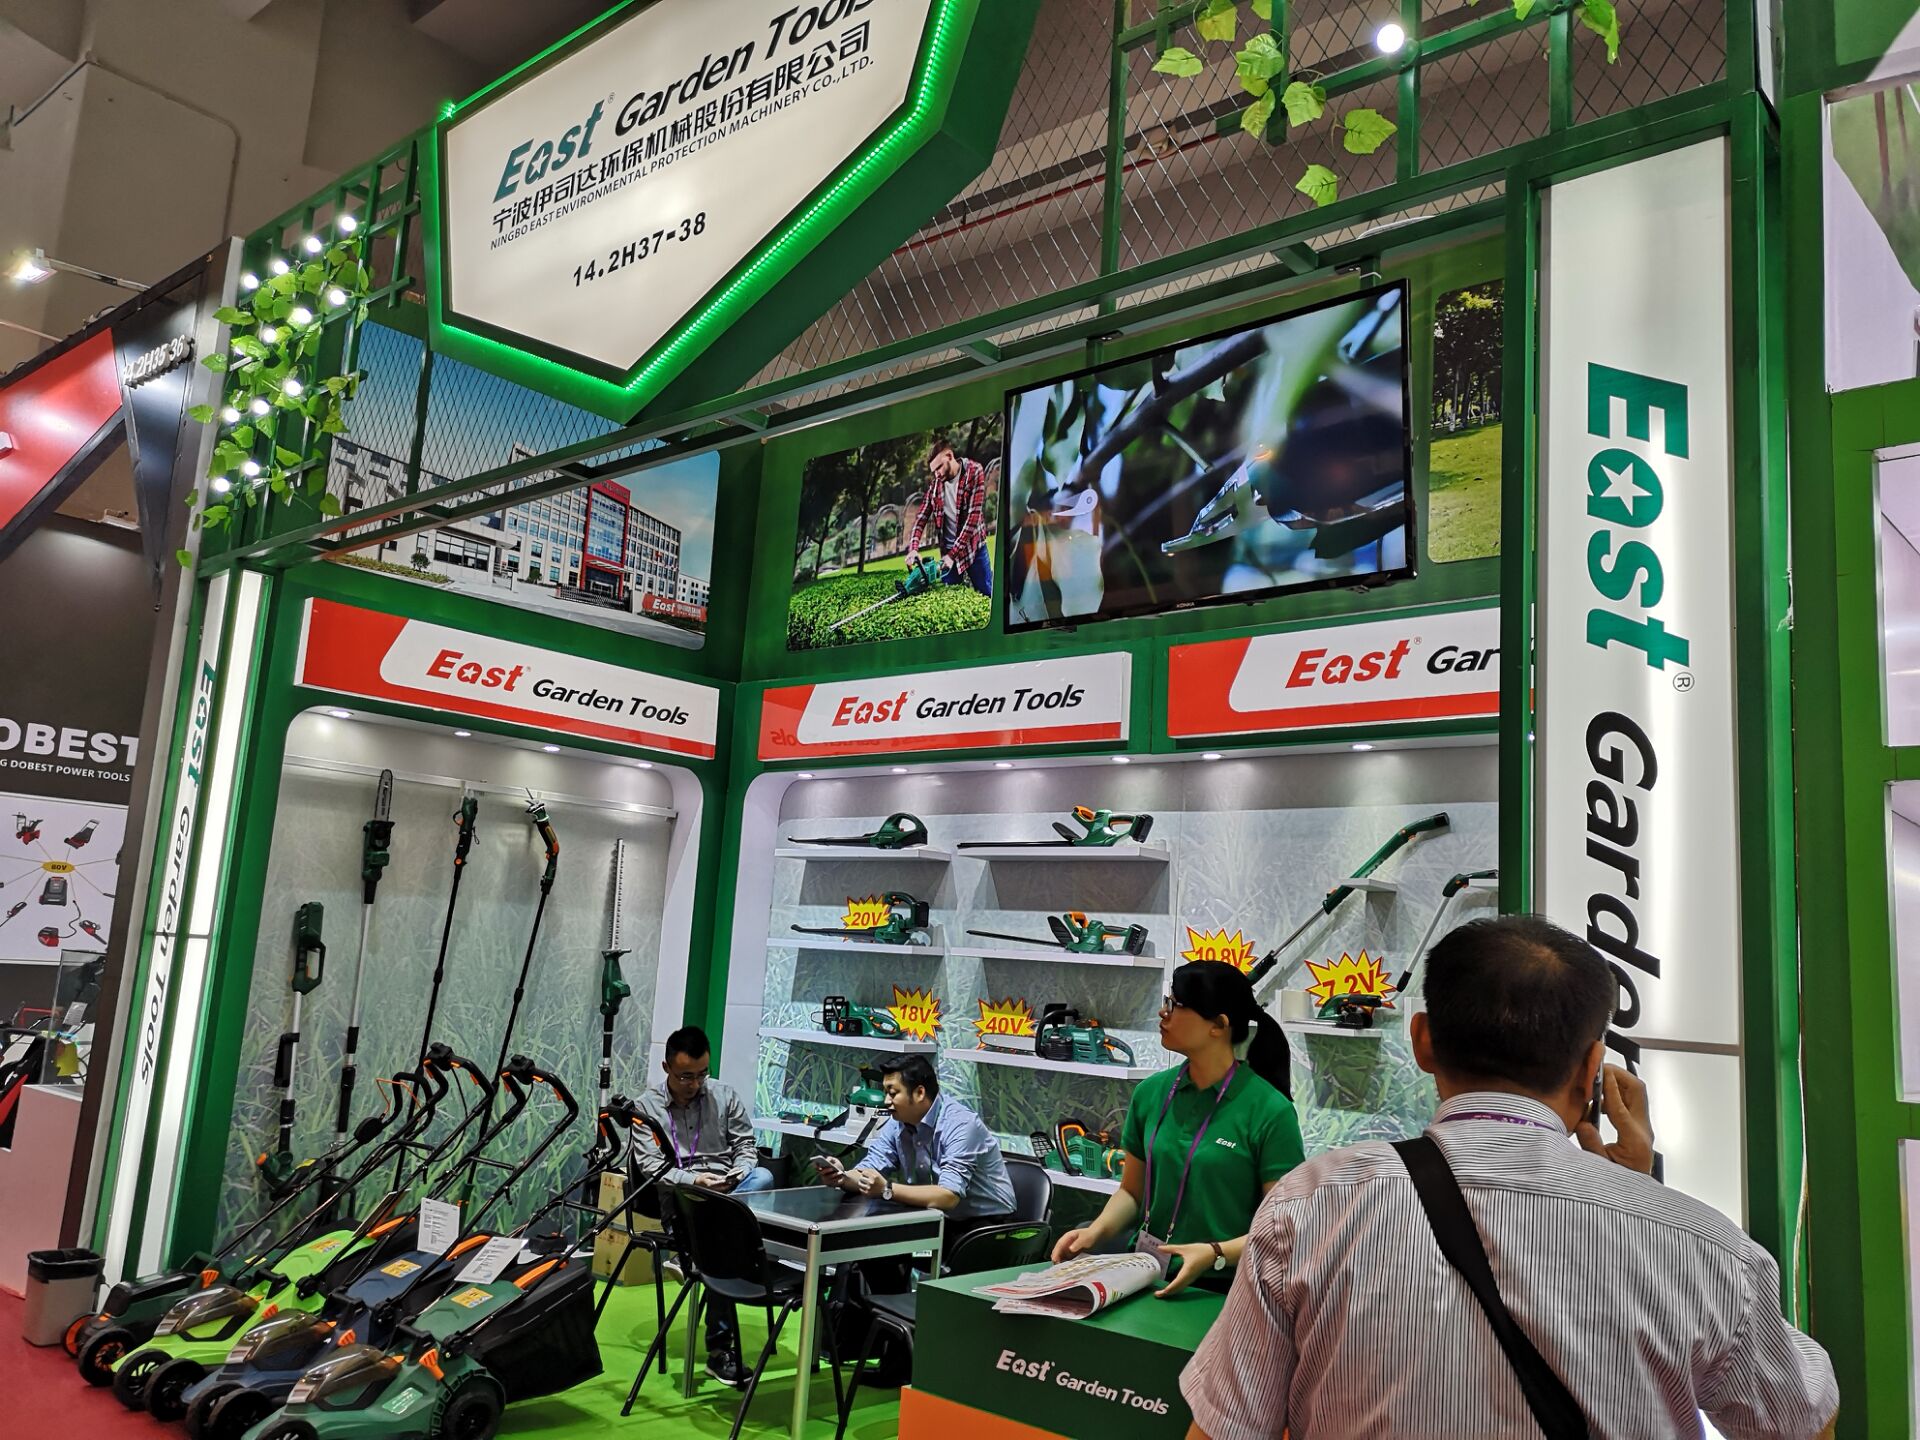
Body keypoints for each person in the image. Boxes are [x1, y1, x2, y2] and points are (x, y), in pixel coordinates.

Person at [1181, 915, 1839, 1439]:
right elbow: (1801, 1424)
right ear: (1592, 1069)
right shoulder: (1703, 1245)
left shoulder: (1312, 1206)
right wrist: (1640, 1195)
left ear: (1422, 1041)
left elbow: (1225, 1428)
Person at [1051, 960, 1304, 1298]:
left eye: (1175, 1004)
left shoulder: (1271, 1111)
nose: (1163, 1013)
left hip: (1222, 1288)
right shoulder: (1151, 1093)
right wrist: (1094, 1232)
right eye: (1166, 1001)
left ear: (1218, 1025)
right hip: (1144, 1273)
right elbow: (1132, 1193)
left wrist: (1215, 1253)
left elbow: (1282, 1226)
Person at [633, 1026, 771, 1389]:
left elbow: (746, 1147)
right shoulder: (645, 1108)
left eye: (701, 1074)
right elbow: (652, 1168)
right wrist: (695, 1182)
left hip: (730, 1192)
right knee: (724, 1243)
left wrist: (737, 1172)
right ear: (666, 1068)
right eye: (685, 1076)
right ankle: (720, 1349)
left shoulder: (725, 1096)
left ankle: (697, 1258)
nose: (694, 1084)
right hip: (685, 1202)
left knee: (763, 1178)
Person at [813, 1054, 1015, 1237]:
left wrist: (887, 1189)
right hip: (935, 1215)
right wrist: (842, 1177)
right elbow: (870, 1169)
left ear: (919, 1093)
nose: (886, 1101)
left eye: (893, 1093)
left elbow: (948, 1197)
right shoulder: (897, 1122)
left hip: (986, 1226)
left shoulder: (961, 1125)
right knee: (868, 1240)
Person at [905, 439, 994, 597]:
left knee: (987, 593)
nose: (936, 474)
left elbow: (972, 520)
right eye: (933, 471)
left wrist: (953, 555)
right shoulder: (935, 486)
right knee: (950, 596)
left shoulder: (974, 472)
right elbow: (920, 519)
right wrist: (913, 548)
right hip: (947, 553)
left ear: (950, 456)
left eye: (939, 467)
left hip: (973, 549)